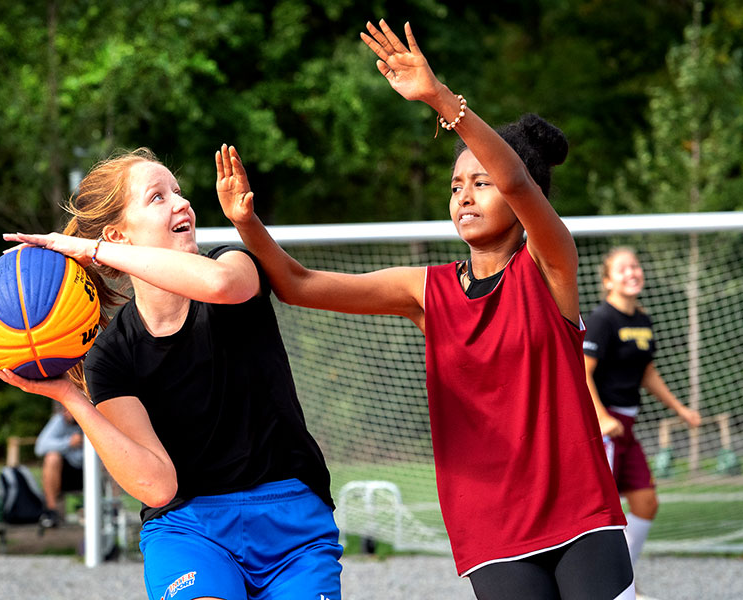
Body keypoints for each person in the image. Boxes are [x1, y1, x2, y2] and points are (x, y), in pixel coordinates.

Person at [216, 19, 634, 600]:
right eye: (456, 183)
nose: (464, 194)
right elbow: (296, 283)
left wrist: (441, 99)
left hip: (581, 513)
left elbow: (516, 179)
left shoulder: (549, 264)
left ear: (521, 199)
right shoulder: (426, 290)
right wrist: (246, 224)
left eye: (480, 183)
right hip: (491, 525)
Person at [0, 147, 342, 600]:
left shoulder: (234, 264)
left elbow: (219, 286)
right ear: (119, 235)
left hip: (290, 520)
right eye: (158, 197)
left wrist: (94, 250)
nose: (182, 202)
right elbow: (157, 485)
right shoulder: (110, 356)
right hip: (190, 529)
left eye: (178, 191)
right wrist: (73, 399)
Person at [583, 246, 701, 569]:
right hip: (602, 429)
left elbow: (646, 371)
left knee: (646, 503)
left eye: (635, 266)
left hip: (628, 427)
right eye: (622, 269)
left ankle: (626, 579)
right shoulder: (601, 319)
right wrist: (602, 417)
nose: (632, 273)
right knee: (601, 514)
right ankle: (596, 581)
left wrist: (681, 410)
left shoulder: (644, 319)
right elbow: (582, 372)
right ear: (608, 281)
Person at [34, 406, 84, 528]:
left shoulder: (91, 420)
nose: (69, 413)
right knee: (52, 458)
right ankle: (51, 511)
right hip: (66, 473)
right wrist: (69, 443)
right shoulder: (58, 422)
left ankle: (113, 508)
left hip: (91, 471)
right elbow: (40, 447)